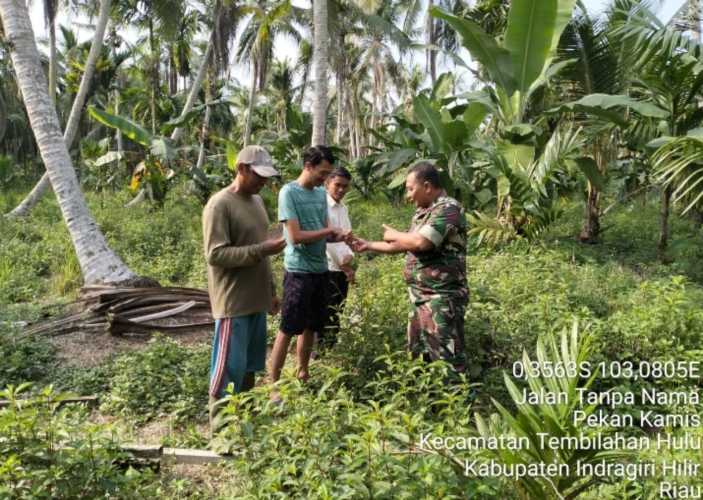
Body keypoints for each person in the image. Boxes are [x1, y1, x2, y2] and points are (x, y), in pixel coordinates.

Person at [350, 162, 468, 373]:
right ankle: (430, 404)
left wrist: (393, 233)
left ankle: (461, 403)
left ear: (427, 186)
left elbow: (421, 242)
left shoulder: (449, 208)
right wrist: (368, 244)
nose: (408, 195)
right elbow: (404, 244)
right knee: (420, 359)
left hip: (440, 299)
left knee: (448, 362)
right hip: (419, 298)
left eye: (411, 189)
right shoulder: (423, 211)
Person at [202, 145, 286, 430]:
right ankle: (222, 432)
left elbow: (261, 251)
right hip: (233, 303)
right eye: (258, 176)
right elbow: (215, 254)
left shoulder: (258, 202)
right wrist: (262, 249)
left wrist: (271, 291)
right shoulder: (219, 204)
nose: (264, 182)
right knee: (227, 371)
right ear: (241, 169)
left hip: (256, 301)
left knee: (250, 368)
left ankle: (244, 424)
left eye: (267, 176)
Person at [269, 145, 347, 395]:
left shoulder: (318, 195)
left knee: (312, 325)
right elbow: (294, 236)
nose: (324, 179)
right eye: (322, 173)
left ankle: (302, 371)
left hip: (320, 270)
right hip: (298, 271)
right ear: (308, 166)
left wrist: (344, 238)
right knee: (288, 328)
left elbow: (323, 235)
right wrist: (328, 231)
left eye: (327, 174)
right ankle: (274, 386)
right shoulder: (288, 193)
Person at [320, 166, 355, 350]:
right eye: (337, 185)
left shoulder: (343, 208)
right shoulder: (322, 206)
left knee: (338, 311)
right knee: (327, 312)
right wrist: (345, 267)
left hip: (343, 268)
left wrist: (350, 263)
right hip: (329, 269)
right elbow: (327, 243)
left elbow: (347, 238)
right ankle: (321, 354)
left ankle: (330, 352)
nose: (341, 190)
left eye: (345, 186)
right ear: (327, 183)